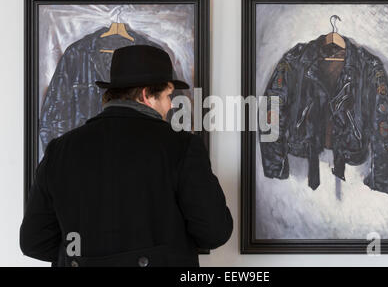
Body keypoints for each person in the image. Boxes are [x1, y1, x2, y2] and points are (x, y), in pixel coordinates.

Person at [20, 45, 233, 267]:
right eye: (169, 95)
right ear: (146, 94)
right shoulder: (182, 147)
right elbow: (215, 232)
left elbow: (35, 241)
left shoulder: (60, 150)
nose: (171, 105)